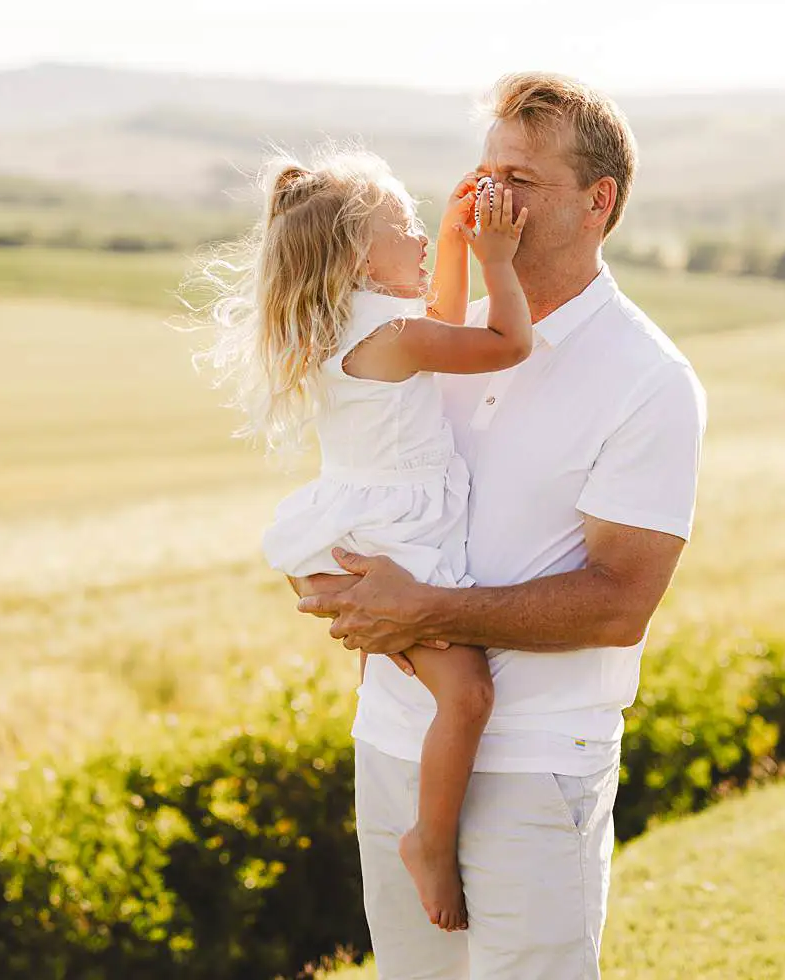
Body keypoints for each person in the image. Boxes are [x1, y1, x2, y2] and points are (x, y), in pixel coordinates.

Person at [294, 73, 707, 979]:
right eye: (482, 170)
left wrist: (425, 610)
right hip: (393, 747)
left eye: (518, 178)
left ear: (598, 202)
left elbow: (617, 605)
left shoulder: (649, 380)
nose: (490, 195)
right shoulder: (438, 332)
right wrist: (354, 595)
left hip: (535, 766)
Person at [186, 147, 533, 932]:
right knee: (470, 694)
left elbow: (434, 324)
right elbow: (503, 343)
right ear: (357, 257)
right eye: (404, 226)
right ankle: (429, 842)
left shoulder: (353, 322)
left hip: (347, 536)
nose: (417, 236)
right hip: (390, 548)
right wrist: (496, 260)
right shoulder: (391, 333)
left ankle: (428, 831)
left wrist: (447, 243)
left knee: (457, 690)